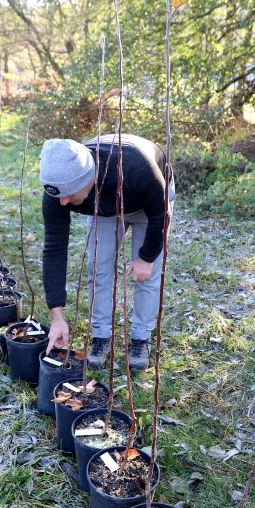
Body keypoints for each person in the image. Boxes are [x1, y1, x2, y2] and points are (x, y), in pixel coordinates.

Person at [40, 134, 174, 371]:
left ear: (88, 177)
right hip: (105, 208)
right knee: (99, 268)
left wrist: (146, 257)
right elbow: (54, 249)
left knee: (147, 275)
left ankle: (141, 338)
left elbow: (160, 214)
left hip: (150, 204)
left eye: (69, 194)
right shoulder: (58, 191)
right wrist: (56, 316)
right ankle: (101, 336)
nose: (63, 203)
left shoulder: (136, 166)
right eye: (58, 196)